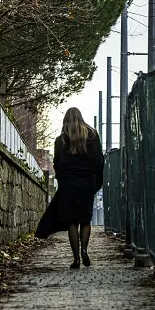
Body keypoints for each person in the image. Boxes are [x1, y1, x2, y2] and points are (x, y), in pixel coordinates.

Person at [35, 108, 104, 268]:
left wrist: (62, 178)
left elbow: (57, 163)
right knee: (85, 219)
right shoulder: (93, 136)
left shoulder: (61, 140)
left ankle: (76, 259)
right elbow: (99, 160)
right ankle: (85, 250)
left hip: (68, 185)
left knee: (72, 221)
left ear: (66, 120)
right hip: (87, 183)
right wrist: (95, 181)